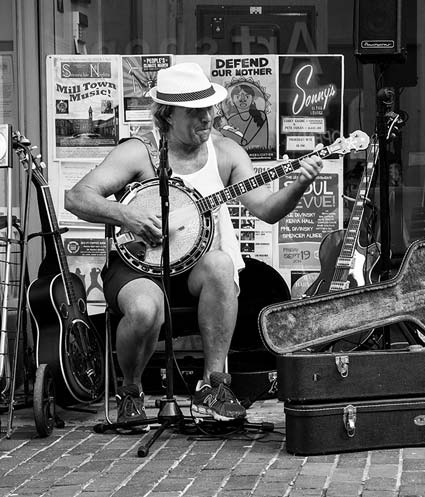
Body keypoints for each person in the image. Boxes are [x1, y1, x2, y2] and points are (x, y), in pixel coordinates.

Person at [65, 62, 323, 427]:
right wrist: (128, 217)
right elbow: (77, 198)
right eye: (195, 112)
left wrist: (298, 185)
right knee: (143, 309)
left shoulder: (227, 153)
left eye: (209, 109)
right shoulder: (140, 153)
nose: (207, 119)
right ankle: (131, 389)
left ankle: (213, 387)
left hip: (193, 267)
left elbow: (267, 209)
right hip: (139, 265)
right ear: (167, 115)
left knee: (222, 265)